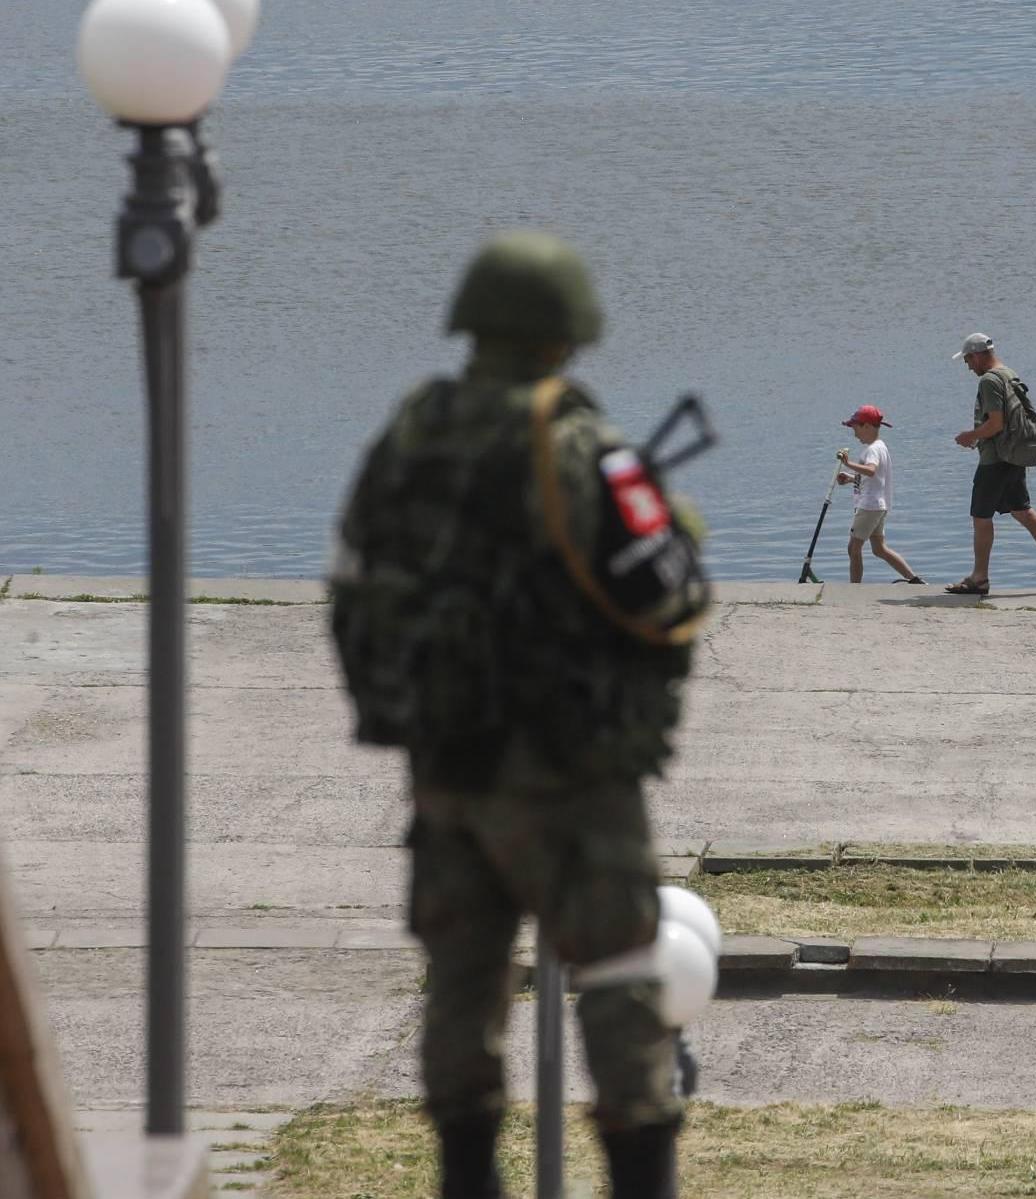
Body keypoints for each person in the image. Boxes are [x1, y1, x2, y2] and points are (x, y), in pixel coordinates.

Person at [328, 230, 707, 1199]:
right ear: (566, 331)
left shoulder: (411, 427)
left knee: (461, 981)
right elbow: (668, 593)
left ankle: (467, 1177)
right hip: (568, 770)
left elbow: (358, 570)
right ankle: (641, 1176)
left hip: (445, 760)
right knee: (621, 977)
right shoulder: (577, 444)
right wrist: (681, 514)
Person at [946, 332, 1036, 596]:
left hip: (996, 459)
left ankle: (979, 578)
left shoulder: (989, 381)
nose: (969, 366)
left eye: (969, 359)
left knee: (981, 516)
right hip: (1013, 455)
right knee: (1021, 510)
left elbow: (996, 423)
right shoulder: (1009, 373)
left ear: (979, 355)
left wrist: (970, 436)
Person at [835, 403, 922, 583]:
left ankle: (855, 589)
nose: (854, 433)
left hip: (869, 506)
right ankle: (913, 579)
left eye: (855, 428)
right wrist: (852, 478)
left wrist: (848, 463)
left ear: (866, 426)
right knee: (879, 549)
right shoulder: (880, 446)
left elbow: (871, 470)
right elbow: (874, 478)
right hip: (879, 505)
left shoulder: (872, 449)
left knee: (853, 548)